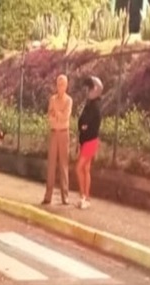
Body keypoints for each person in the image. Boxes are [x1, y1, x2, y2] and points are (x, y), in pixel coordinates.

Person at [42, 74, 73, 205]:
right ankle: (48, 196)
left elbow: (65, 117)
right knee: (51, 165)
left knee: (63, 165)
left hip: (64, 133)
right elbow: (50, 115)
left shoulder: (69, 100)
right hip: (54, 133)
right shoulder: (52, 99)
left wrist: (57, 113)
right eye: (58, 84)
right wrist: (56, 114)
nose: (60, 87)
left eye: (62, 84)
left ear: (66, 86)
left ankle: (65, 196)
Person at [76, 76, 103, 210]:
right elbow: (81, 122)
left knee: (79, 168)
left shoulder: (95, 106)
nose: (88, 90)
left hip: (90, 140)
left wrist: (84, 127)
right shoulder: (89, 104)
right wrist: (82, 127)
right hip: (86, 140)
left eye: (90, 88)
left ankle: (83, 196)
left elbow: (90, 124)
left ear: (96, 89)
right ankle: (86, 197)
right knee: (86, 169)